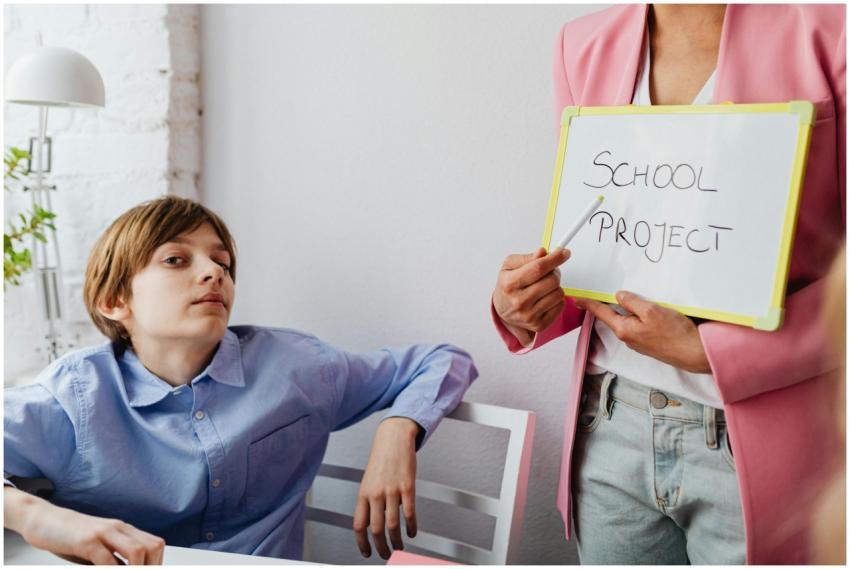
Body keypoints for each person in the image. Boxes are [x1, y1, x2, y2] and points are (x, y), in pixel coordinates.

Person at [492, 4, 844, 564]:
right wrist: (528, 302)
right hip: (607, 426)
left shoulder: (831, 29)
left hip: (762, 436)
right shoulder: (579, 44)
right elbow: (599, 231)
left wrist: (720, 352)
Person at [4, 196, 478, 564]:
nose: (213, 272)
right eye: (176, 260)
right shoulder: (72, 399)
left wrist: (397, 429)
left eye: (222, 262)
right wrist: (33, 516)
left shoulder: (299, 366)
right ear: (114, 300)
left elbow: (442, 359)